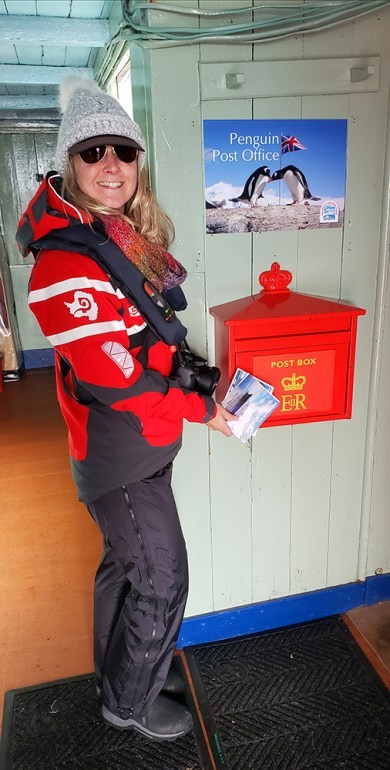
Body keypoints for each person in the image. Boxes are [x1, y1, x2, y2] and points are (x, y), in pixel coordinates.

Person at [16, 77, 235, 741]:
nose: (112, 164)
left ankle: (122, 672)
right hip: (120, 451)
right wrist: (206, 412)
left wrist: (201, 378)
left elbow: (154, 324)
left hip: (146, 439)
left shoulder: (115, 235)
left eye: (124, 150)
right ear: (69, 165)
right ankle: (129, 704)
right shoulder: (64, 263)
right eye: (92, 152)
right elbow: (115, 380)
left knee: (125, 565)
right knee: (163, 582)